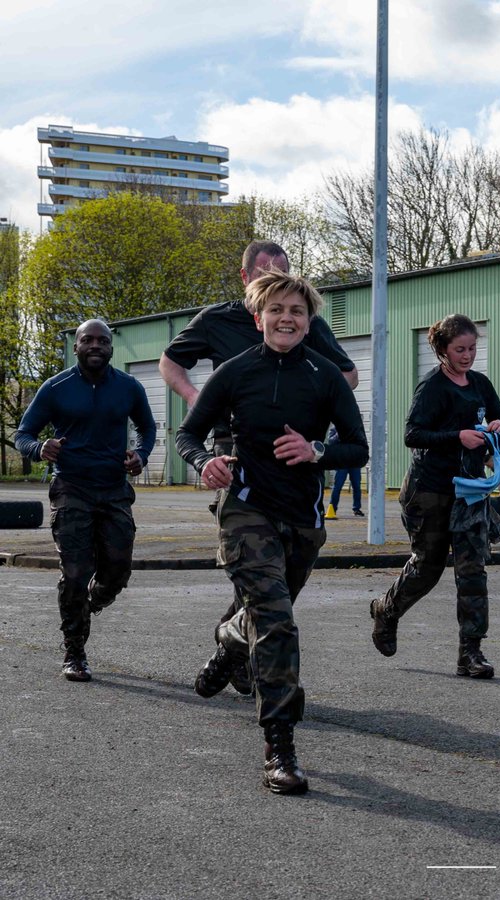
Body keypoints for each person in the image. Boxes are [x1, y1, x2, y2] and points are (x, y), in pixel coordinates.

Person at [176, 270, 367, 795]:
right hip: (245, 510)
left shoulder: (325, 376)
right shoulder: (236, 373)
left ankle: (230, 639)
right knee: (278, 623)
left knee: (264, 617)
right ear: (259, 317)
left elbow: (358, 447)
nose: (288, 318)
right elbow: (188, 434)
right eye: (278, 310)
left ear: (309, 322)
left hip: (302, 520)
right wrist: (205, 462)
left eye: (298, 312)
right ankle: (279, 747)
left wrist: (317, 451)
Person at [160, 240, 359, 695]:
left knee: (272, 584)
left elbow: (347, 375)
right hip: (239, 455)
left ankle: (233, 640)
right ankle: (267, 693)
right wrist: (201, 403)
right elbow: (170, 363)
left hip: (297, 464)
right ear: (247, 281)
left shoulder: (307, 322)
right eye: (265, 273)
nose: (284, 313)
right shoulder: (217, 321)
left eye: (282, 270)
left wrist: (316, 401)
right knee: (255, 563)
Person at [369, 314, 500, 679]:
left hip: (469, 492)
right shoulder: (432, 387)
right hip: (429, 490)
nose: (468, 356)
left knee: (472, 571)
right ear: (442, 350)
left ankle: (471, 653)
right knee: (427, 568)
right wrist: (457, 436)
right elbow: (412, 434)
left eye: (472, 348)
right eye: (460, 349)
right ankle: (385, 610)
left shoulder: (480, 384)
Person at [15, 320, 156, 682]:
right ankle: (74, 650)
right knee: (76, 572)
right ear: (76, 346)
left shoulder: (128, 387)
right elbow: (24, 434)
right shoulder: (55, 388)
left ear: (111, 348)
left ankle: (89, 604)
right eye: (87, 340)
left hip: (113, 489)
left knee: (118, 570)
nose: (96, 345)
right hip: (71, 487)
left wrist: (140, 454)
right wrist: (38, 447)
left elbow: (148, 427)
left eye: (103, 341)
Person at [324, 424, 363, 519]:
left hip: (354, 462)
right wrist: (339, 434)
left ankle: (356, 508)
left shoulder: (355, 428)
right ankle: (332, 508)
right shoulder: (335, 428)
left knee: (357, 486)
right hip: (342, 462)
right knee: (337, 486)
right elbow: (330, 441)